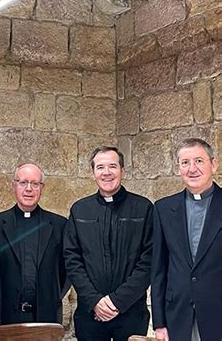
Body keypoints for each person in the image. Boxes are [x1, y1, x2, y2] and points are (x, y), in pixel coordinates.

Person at [64, 146, 153, 341]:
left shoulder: (143, 208)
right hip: (90, 314)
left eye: (112, 166)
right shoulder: (80, 210)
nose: (106, 172)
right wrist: (95, 301)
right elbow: (72, 260)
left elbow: (149, 260)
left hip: (131, 313)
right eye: (100, 167)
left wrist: (117, 302)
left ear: (123, 171)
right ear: (93, 173)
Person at [151, 138, 222, 341]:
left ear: (213, 164)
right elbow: (158, 269)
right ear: (178, 168)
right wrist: (159, 323)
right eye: (185, 163)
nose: (192, 169)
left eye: (199, 161)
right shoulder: (163, 209)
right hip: (178, 315)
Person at [0, 163, 68, 323]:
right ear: (14, 185)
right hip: (5, 317)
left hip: (46, 316)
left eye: (35, 184)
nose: (29, 189)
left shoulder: (59, 225)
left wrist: (52, 296)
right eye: (23, 182)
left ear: (42, 188)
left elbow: (67, 271)